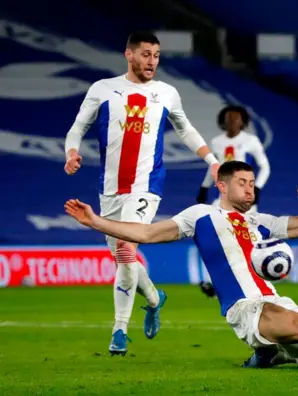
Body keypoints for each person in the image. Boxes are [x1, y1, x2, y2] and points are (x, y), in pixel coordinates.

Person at [64, 161, 298, 373]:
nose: (250, 187)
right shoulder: (201, 215)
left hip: (277, 301)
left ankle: (273, 353)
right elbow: (148, 233)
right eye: (243, 181)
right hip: (247, 308)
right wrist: (96, 221)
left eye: (253, 182)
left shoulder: (259, 221)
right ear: (222, 185)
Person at [63, 30, 220, 355]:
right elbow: (78, 127)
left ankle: (119, 332)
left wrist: (212, 160)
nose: (152, 61)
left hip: (147, 185)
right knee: (125, 256)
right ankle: (153, 298)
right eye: (146, 54)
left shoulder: (166, 93)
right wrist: (71, 152)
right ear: (129, 55)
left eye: (157, 55)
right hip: (110, 189)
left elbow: (185, 128)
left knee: (124, 248)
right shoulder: (104, 89)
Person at [197, 105, 271, 213]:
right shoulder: (216, 142)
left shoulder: (251, 141)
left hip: (244, 198)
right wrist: (204, 186)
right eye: (229, 118)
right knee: (215, 224)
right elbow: (213, 166)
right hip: (223, 196)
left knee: (244, 228)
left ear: (242, 122)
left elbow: (265, 167)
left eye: (236, 118)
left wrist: (257, 187)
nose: (232, 121)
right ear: (223, 120)